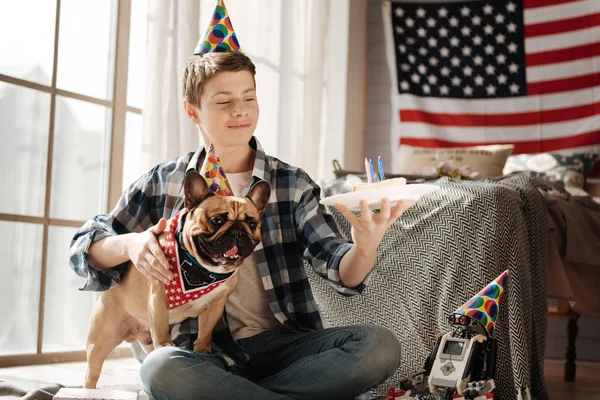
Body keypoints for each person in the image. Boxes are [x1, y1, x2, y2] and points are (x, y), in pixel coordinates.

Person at [69, 1, 409, 399]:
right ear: (192, 110)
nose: (240, 111)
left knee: (379, 346)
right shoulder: (162, 182)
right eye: (223, 101)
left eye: (248, 98)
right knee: (160, 367)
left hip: (280, 345)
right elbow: (83, 249)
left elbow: (342, 270)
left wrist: (366, 244)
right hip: (196, 352)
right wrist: (129, 243)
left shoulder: (291, 184)